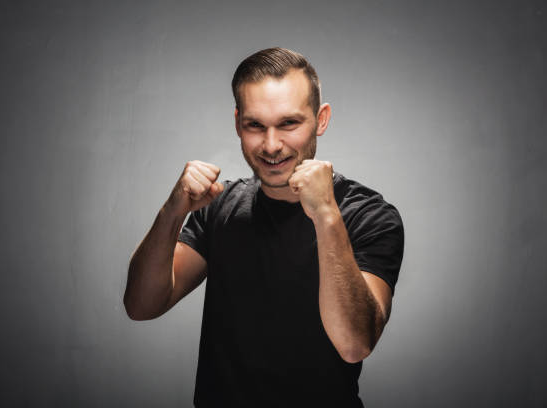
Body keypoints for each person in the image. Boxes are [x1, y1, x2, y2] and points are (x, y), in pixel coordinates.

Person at [124, 47, 404, 407]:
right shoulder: (221, 206)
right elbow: (141, 305)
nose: (271, 146)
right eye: (255, 125)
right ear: (238, 121)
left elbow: (355, 345)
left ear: (321, 119)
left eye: (289, 123)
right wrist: (172, 210)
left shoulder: (369, 215)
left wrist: (326, 215)